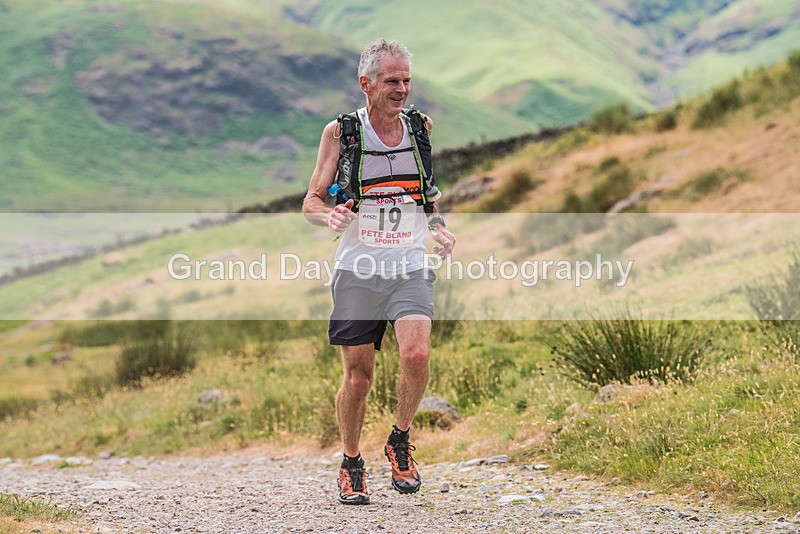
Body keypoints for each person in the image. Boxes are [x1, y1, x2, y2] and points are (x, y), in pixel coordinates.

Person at [302, 38, 456, 505]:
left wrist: (439, 228)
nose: (402, 89)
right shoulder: (342, 133)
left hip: (409, 263)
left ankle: (400, 439)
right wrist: (327, 216)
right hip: (358, 269)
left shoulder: (420, 128)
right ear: (366, 83)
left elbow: (423, 194)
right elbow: (310, 201)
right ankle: (351, 461)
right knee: (358, 379)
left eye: (407, 80)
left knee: (416, 356)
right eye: (392, 81)